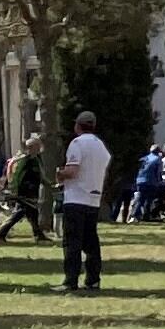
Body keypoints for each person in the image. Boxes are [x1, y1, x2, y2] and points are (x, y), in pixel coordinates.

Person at [52, 110, 111, 294]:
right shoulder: (101, 146)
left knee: (72, 242)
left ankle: (71, 280)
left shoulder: (77, 144)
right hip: (93, 199)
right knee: (91, 242)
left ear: (77, 126)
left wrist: (59, 174)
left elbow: (72, 171)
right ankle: (93, 280)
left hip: (76, 197)